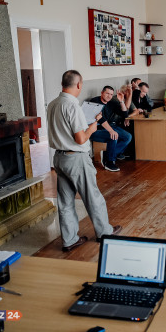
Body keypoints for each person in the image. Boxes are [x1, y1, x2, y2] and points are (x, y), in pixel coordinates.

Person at [46, 70, 121, 252]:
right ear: (79, 84)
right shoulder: (73, 106)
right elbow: (80, 139)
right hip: (76, 158)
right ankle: (104, 232)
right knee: (93, 197)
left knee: (64, 201)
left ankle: (70, 239)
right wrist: (92, 128)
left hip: (59, 157)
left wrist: (87, 126)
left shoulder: (53, 104)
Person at [90, 85, 132, 171]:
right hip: (96, 129)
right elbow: (101, 119)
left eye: (111, 94)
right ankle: (109, 162)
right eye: (107, 93)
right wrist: (111, 131)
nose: (109, 96)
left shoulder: (111, 102)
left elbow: (125, 115)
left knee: (128, 137)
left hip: (110, 126)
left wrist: (121, 102)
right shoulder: (95, 101)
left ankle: (107, 155)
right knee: (113, 136)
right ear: (102, 93)